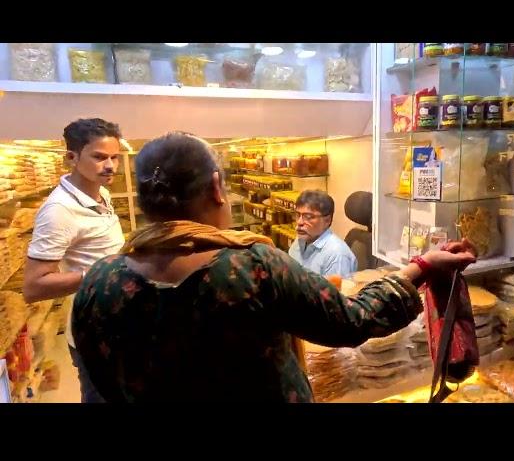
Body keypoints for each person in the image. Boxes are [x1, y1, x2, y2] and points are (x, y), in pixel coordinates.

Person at [71, 131, 476, 403]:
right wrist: (422, 266)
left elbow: (96, 386)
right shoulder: (252, 268)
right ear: (216, 187)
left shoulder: (99, 282)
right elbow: (353, 320)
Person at [24, 118, 125, 403]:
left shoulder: (101, 193)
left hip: (113, 323)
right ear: (72, 157)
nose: (110, 166)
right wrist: (104, 271)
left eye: (114, 157)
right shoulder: (59, 211)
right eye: (99, 157)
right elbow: (33, 286)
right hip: (92, 332)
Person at [288, 190, 357, 278]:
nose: (299, 222)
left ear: (327, 220)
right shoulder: (300, 240)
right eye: (297, 215)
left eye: (308, 217)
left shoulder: (337, 255)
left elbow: (333, 291)